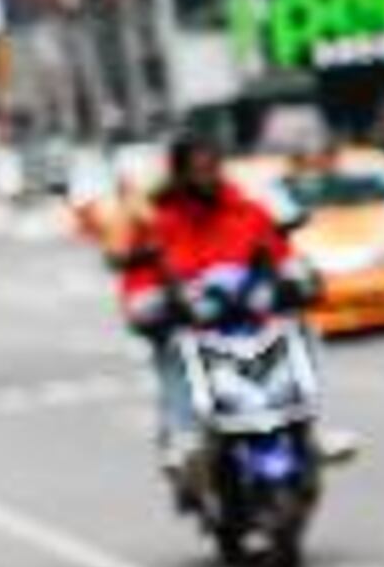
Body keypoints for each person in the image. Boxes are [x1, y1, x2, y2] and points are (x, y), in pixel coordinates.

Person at [114, 136, 292, 467]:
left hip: (247, 322)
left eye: (211, 167)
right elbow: (136, 275)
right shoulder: (158, 221)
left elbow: (279, 256)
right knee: (173, 349)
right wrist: (146, 302)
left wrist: (289, 277)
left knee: (294, 329)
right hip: (189, 324)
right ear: (180, 173)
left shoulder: (248, 211)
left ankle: (301, 424)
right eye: (196, 169)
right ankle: (184, 438)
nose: (206, 175)